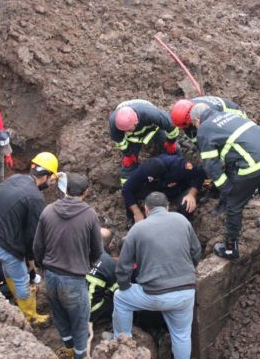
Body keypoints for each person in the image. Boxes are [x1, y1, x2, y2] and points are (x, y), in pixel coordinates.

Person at [189, 103, 260, 260]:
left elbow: (211, 164)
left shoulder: (205, 128)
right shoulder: (230, 115)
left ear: (197, 120)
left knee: (234, 204)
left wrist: (225, 188)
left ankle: (230, 248)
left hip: (255, 161)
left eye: (194, 124)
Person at [113, 192, 201, 359]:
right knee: (182, 335)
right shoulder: (182, 220)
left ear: (146, 210)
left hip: (154, 294)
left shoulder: (137, 228)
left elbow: (123, 267)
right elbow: (196, 251)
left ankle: (123, 344)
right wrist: (189, 270)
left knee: (120, 298)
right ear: (167, 207)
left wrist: (125, 286)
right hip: (185, 292)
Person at [0, 152, 59, 324]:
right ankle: (30, 316)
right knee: (22, 276)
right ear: (45, 176)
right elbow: (33, 236)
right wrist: (32, 259)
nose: (52, 183)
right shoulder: (35, 198)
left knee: (11, 266)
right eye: (51, 179)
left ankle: (16, 294)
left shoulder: (15, 179)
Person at [33, 173, 103, 359]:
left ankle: (69, 347)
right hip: (73, 279)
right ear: (86, 192)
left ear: (66, 189)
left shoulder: (48, 210)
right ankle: (79, 355)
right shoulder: (89, 215)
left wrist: (42, 267)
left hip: (51, 276)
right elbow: (98, 250)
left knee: (59, 314)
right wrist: (86, 264)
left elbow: (37, 246)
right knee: (80, 323)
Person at [108, 100, 181, 184]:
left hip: (153, 129)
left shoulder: (151, 114)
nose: (127, 131)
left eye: (129, 129)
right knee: (129, 163)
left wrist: (171, 142)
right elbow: (120, 142)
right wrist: (128, 154)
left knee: (174, 150)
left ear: (136, 122)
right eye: (125, 130)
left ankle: (179, 169)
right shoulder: (115, 123)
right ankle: (129, 187)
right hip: (132, 139)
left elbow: (171, 126)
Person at [122, 154, 207, 223]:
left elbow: (200, 174)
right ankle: (134, 222)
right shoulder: (144, 170)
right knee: (131, 196)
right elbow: (127, 189)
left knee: (187, 204)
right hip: (156, 191)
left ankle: (180, 222)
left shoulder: (178, 165)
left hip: (177, 190)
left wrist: (191, 194)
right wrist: (136, 212)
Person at [170, 96, 247, 144]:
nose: (185, 128)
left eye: (186, 125)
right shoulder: (188, 108)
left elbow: (216, 134)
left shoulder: (207, 113)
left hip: (234, 116)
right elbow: (197, 140)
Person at [86, 228, 119, 325]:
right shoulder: (109, 263)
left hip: (70, 307)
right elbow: (117, 290)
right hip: (90, 312)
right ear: (110, 245)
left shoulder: (78, 251)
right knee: (120, 299)